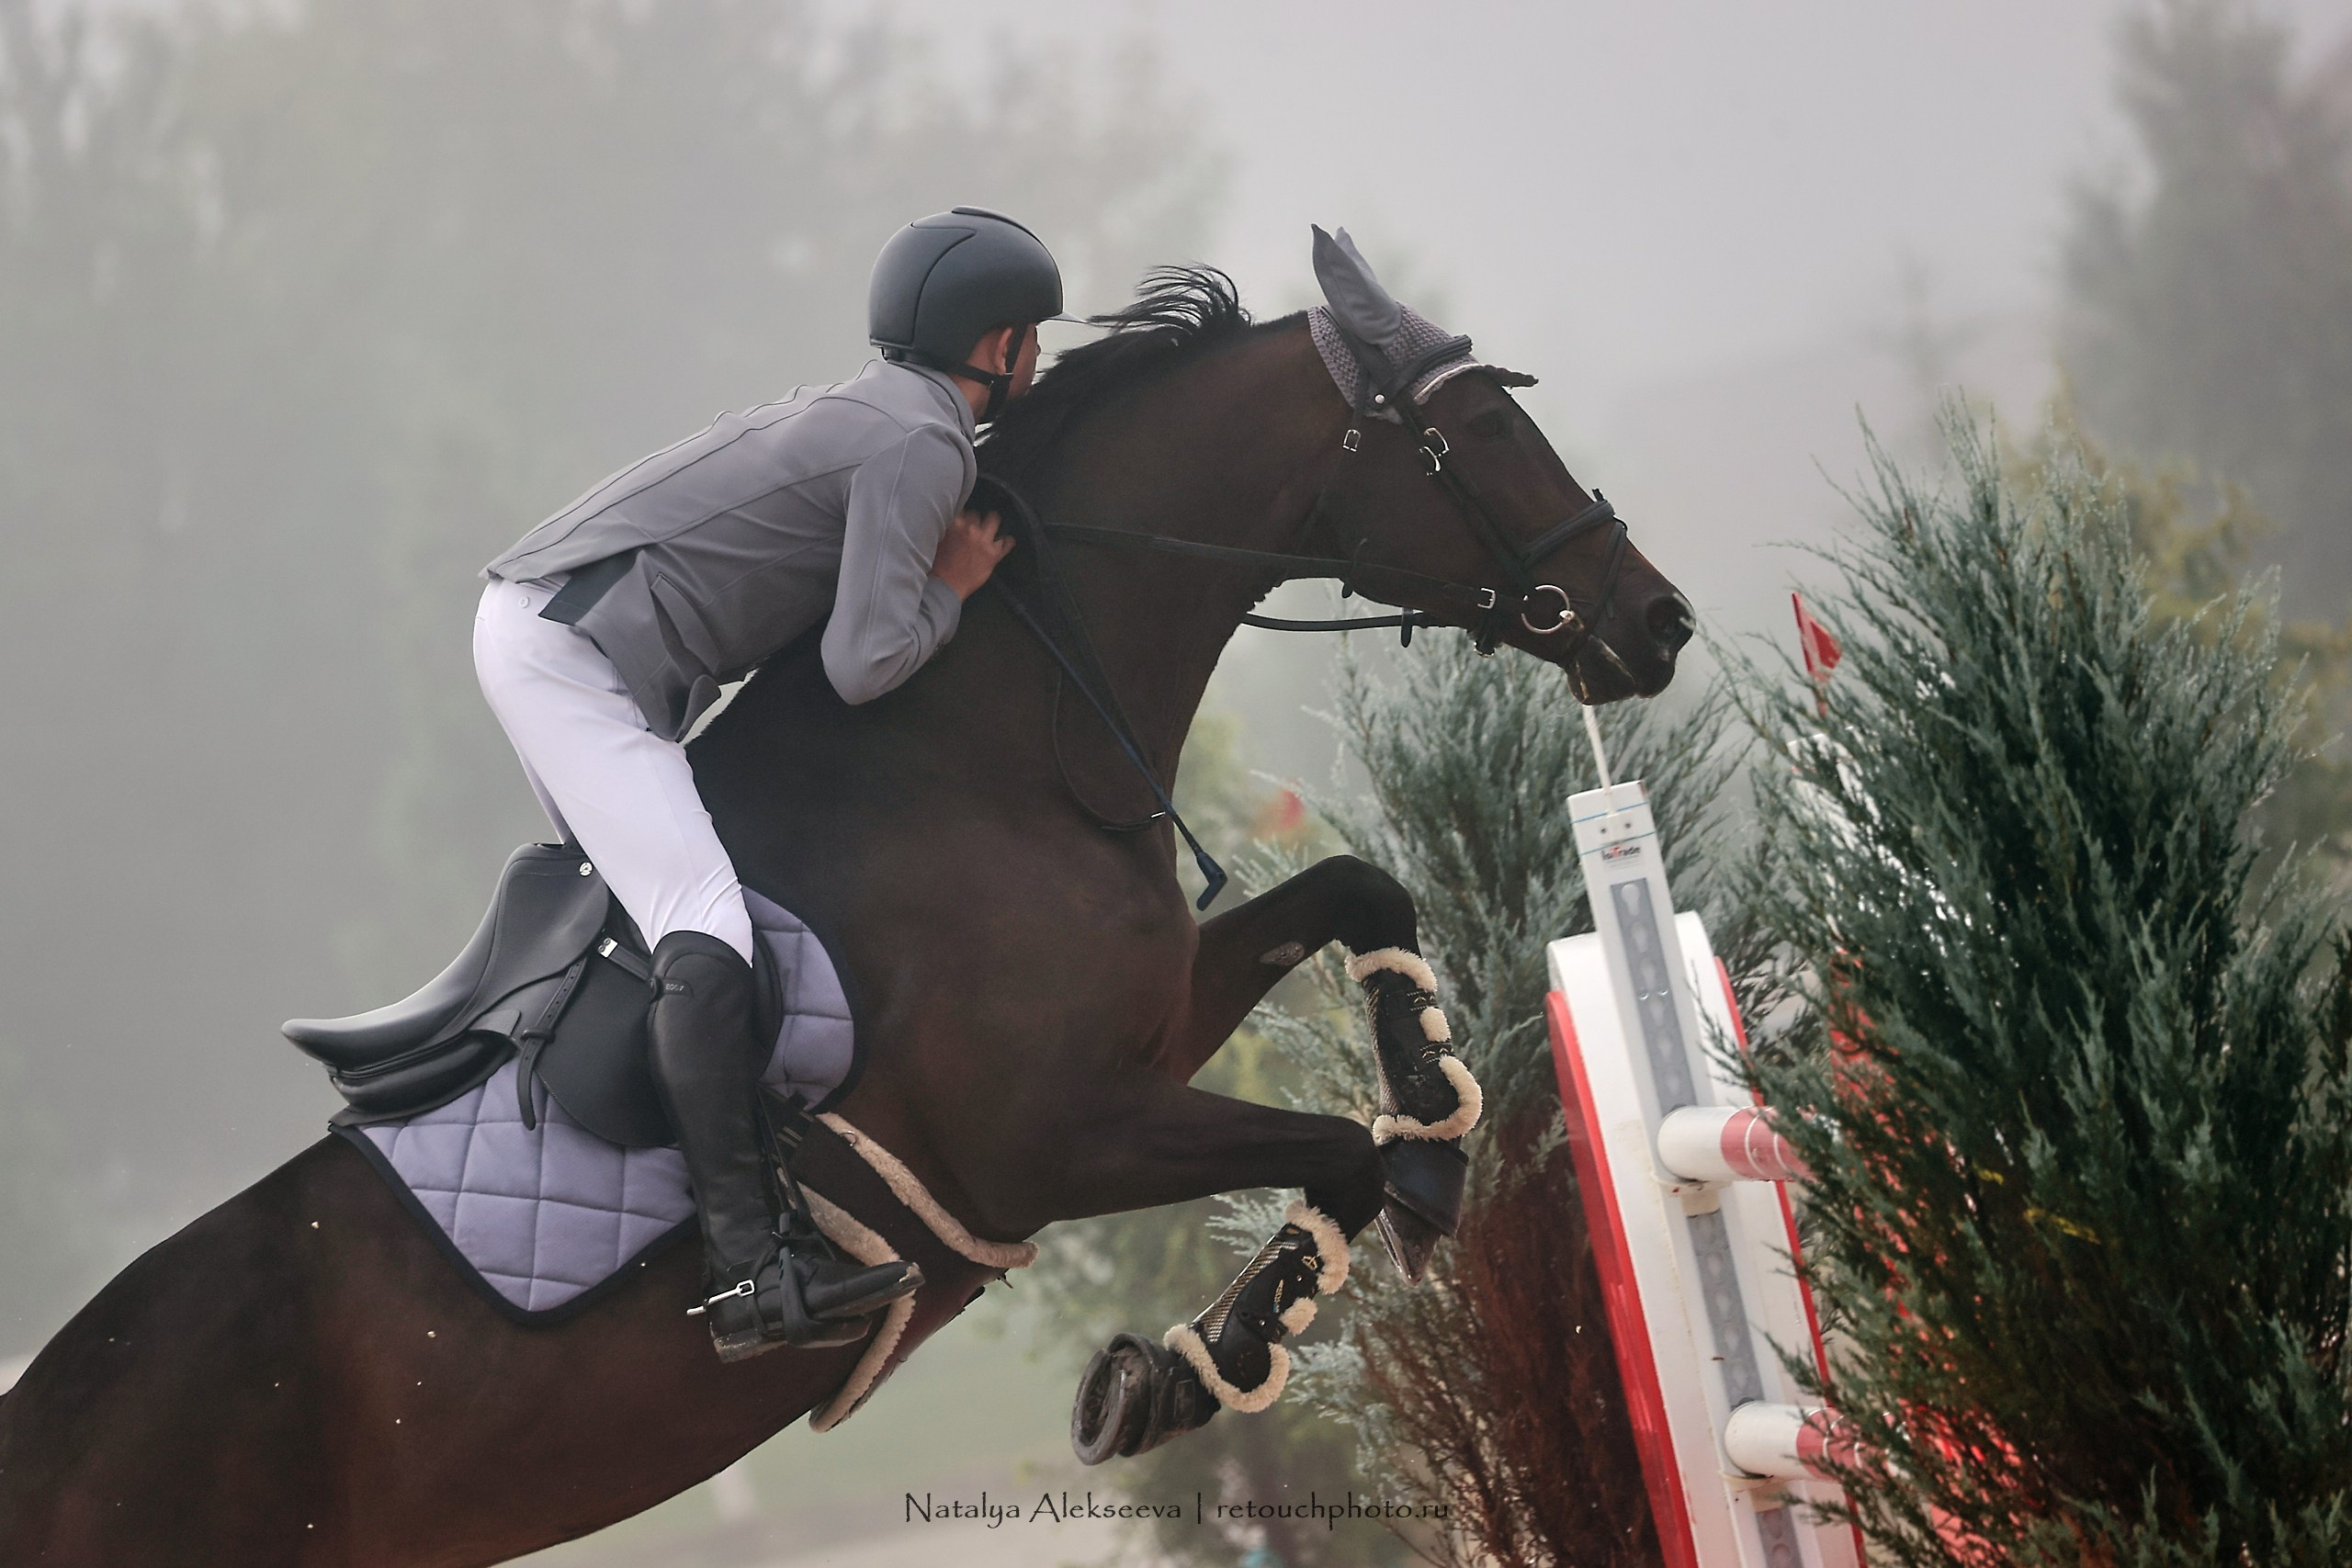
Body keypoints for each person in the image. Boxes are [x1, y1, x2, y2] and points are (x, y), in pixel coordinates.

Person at [472, 208, 1062, 1361]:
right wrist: (952, 588)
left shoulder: (891, 409)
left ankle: (709, 1204)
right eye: (1030, 335)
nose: (1038, 355)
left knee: (673, 923)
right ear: (994, 348)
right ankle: (748, 1273)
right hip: (570, 655)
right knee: (703, 923)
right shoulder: (923, 440)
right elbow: (861, 665)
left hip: (557, 633)